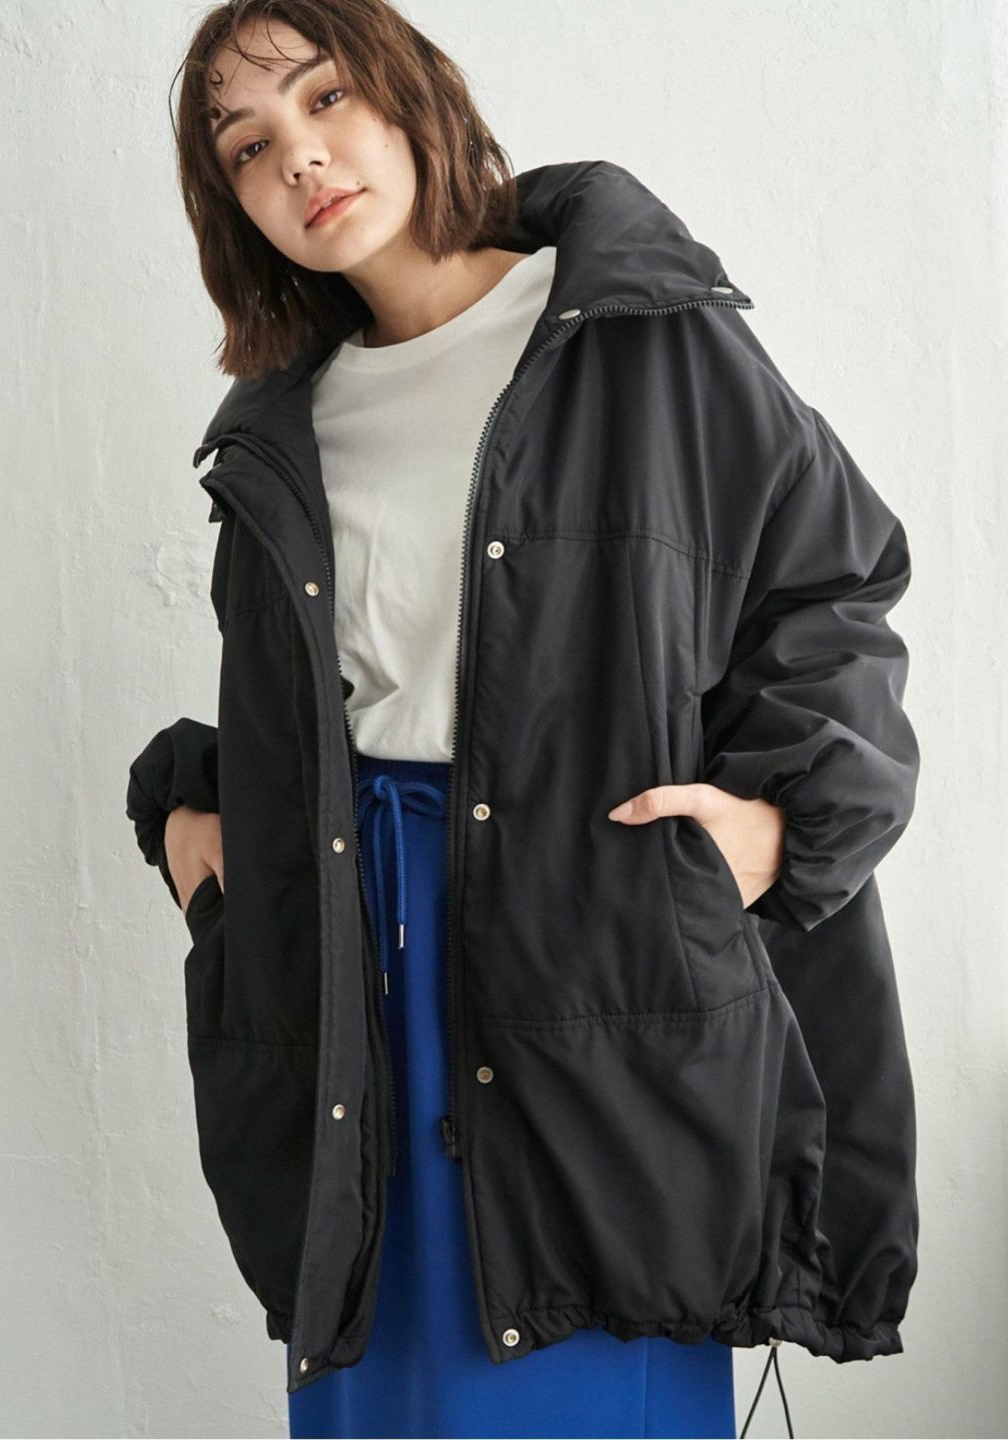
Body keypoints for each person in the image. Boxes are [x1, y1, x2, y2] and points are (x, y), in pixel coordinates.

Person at [127, 2, 921, 1437]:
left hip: (595, 936)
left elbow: (833, 587)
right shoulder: (288, 424)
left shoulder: (637, 334)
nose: (299, 156)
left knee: (585, 1348)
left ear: (410, 90)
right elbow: (325, 690)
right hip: (355, 966)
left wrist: (777, 827)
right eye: (249, 147)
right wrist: (197, 823)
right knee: (383, 1383)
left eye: (325, 97)